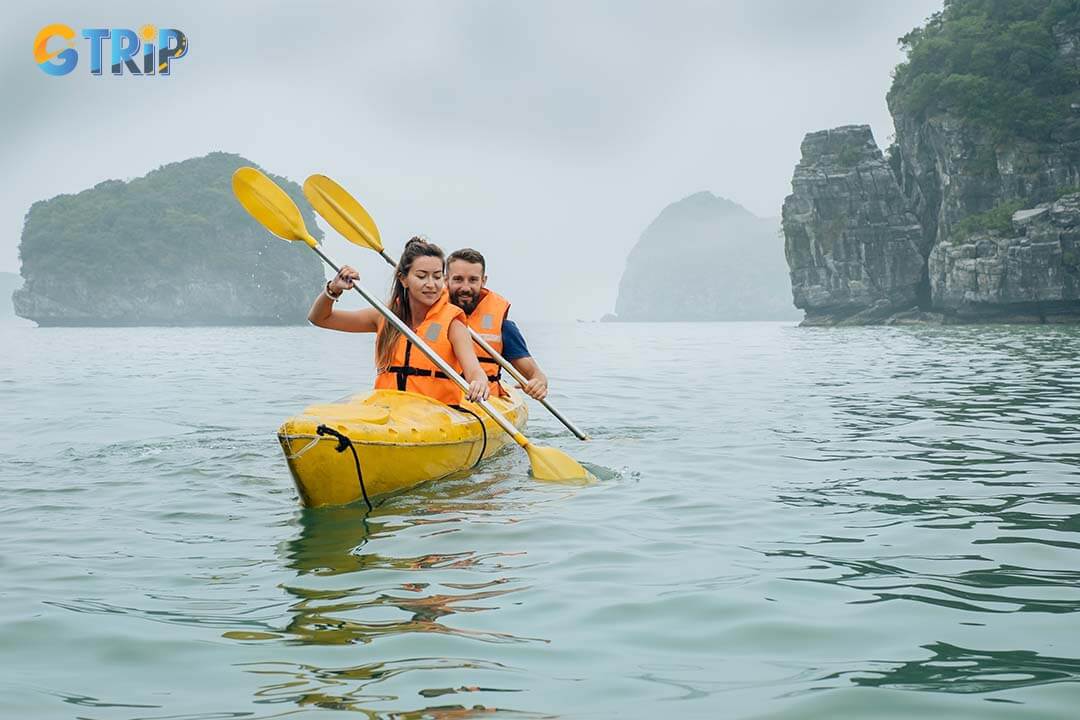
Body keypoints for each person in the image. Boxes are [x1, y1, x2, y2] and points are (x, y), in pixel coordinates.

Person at [308, 237, 489, 404]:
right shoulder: (384, 317)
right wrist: (333, 289)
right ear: (404, 279)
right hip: (388, 411)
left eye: (436, 276)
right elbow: (320, 318)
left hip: (435, 414)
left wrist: (479, 382)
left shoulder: (453, 324)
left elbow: (474, 370)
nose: (431, 284)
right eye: (421, 276)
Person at [445, 248, 549, 400]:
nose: (465, 287)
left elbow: (536, 374)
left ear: (483, 281)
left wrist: (539, 383)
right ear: (446, 279)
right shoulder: (427, 317)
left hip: (482, 404)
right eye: (458, 279)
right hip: (437, 401)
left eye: (473, 280)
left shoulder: (503, 327)